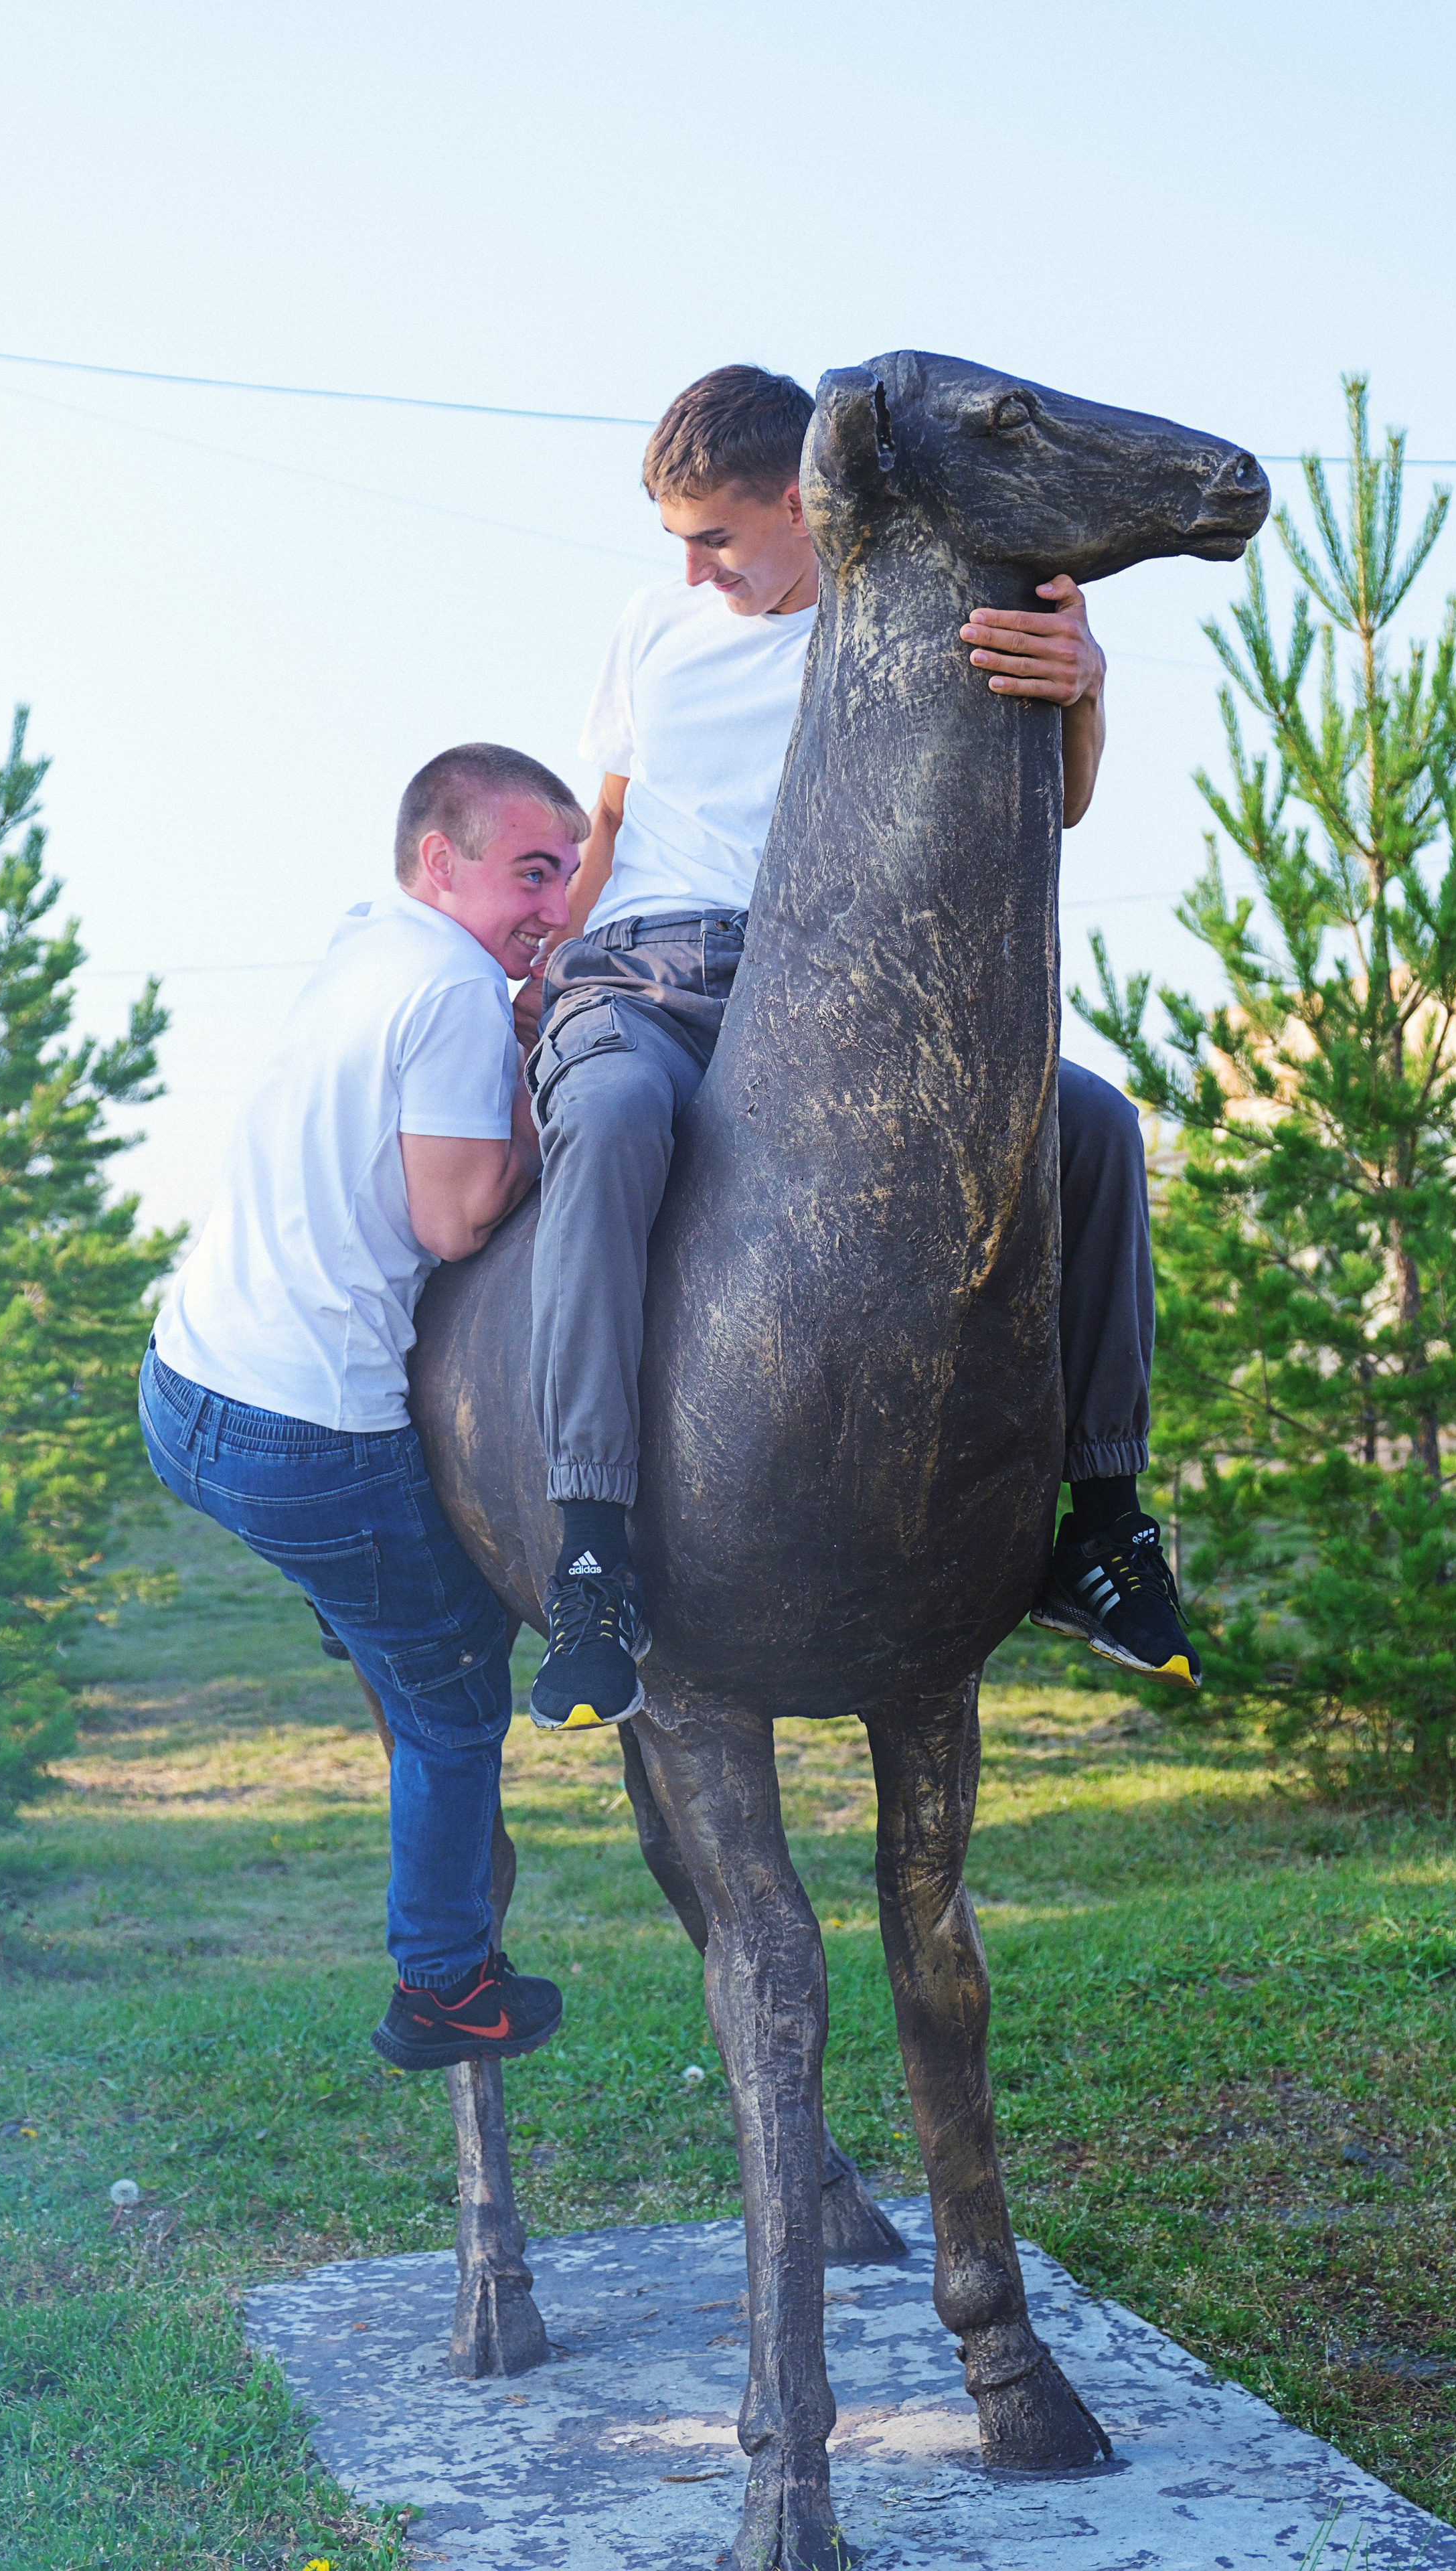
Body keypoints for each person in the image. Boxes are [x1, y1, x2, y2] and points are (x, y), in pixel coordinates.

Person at [523, 365, 1198, 1733]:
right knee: (605, 1127)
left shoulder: (912, 626)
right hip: (646, 976)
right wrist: (533, 972)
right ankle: (590, 1548)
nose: (695, 568)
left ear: (798, 500)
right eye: (676, 543)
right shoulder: (649, 627)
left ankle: (1106, 1526)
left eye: (715, 534)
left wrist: (1083, 689)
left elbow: (1052, 805)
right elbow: (604, 821)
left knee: (1091, 1127)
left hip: (829, 983)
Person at [139, 744, 581, 2072]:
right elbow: (456, 1220)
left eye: (565, 872)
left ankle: (362, 1618)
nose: (554, 905)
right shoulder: (452, 989)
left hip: (184, 1389)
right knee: (455, 1705)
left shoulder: (366, 942)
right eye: (529, 873)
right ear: (439, 861)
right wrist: (534, 1073)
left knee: (393, 1604)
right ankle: (443, 1987)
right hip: (304, 1441)